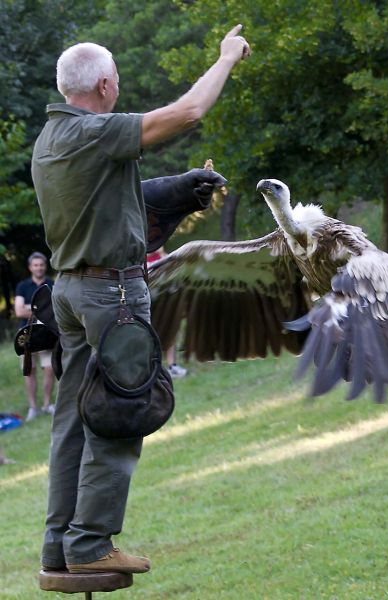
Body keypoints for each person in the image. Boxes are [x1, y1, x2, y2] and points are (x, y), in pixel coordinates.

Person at [31, 26, 250, 575]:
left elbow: (114, 201)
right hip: (113, 295)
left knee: (73, 422)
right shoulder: (96, 131)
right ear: (104, 84)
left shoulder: (52, 139)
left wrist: (175, 187)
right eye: (118, 80)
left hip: (70, 291)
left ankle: (60, 545)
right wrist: (225, 57)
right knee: (119, 414)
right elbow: (190, 110)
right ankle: (90, 545)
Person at [14, 252, 55, 421]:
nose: (39, 268)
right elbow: (18, 311)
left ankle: (47, 405)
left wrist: (29, 308)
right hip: (26, 335)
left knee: (50, 369)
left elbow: (55, 308)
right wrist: (41, 309)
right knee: (28, 371)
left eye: (41, 264)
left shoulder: (51, 283)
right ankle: (33, 408)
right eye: (35, 265)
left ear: (45, 266)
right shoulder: (22, 286)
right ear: (30, 267)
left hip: (47, 334)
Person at [147, 247, 187, 378]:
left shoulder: (160, 248)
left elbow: (167, 258)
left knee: (170, 326)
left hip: (163, 291)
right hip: (147, 295)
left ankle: (172, 366)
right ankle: (150, 367)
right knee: (147, 332)